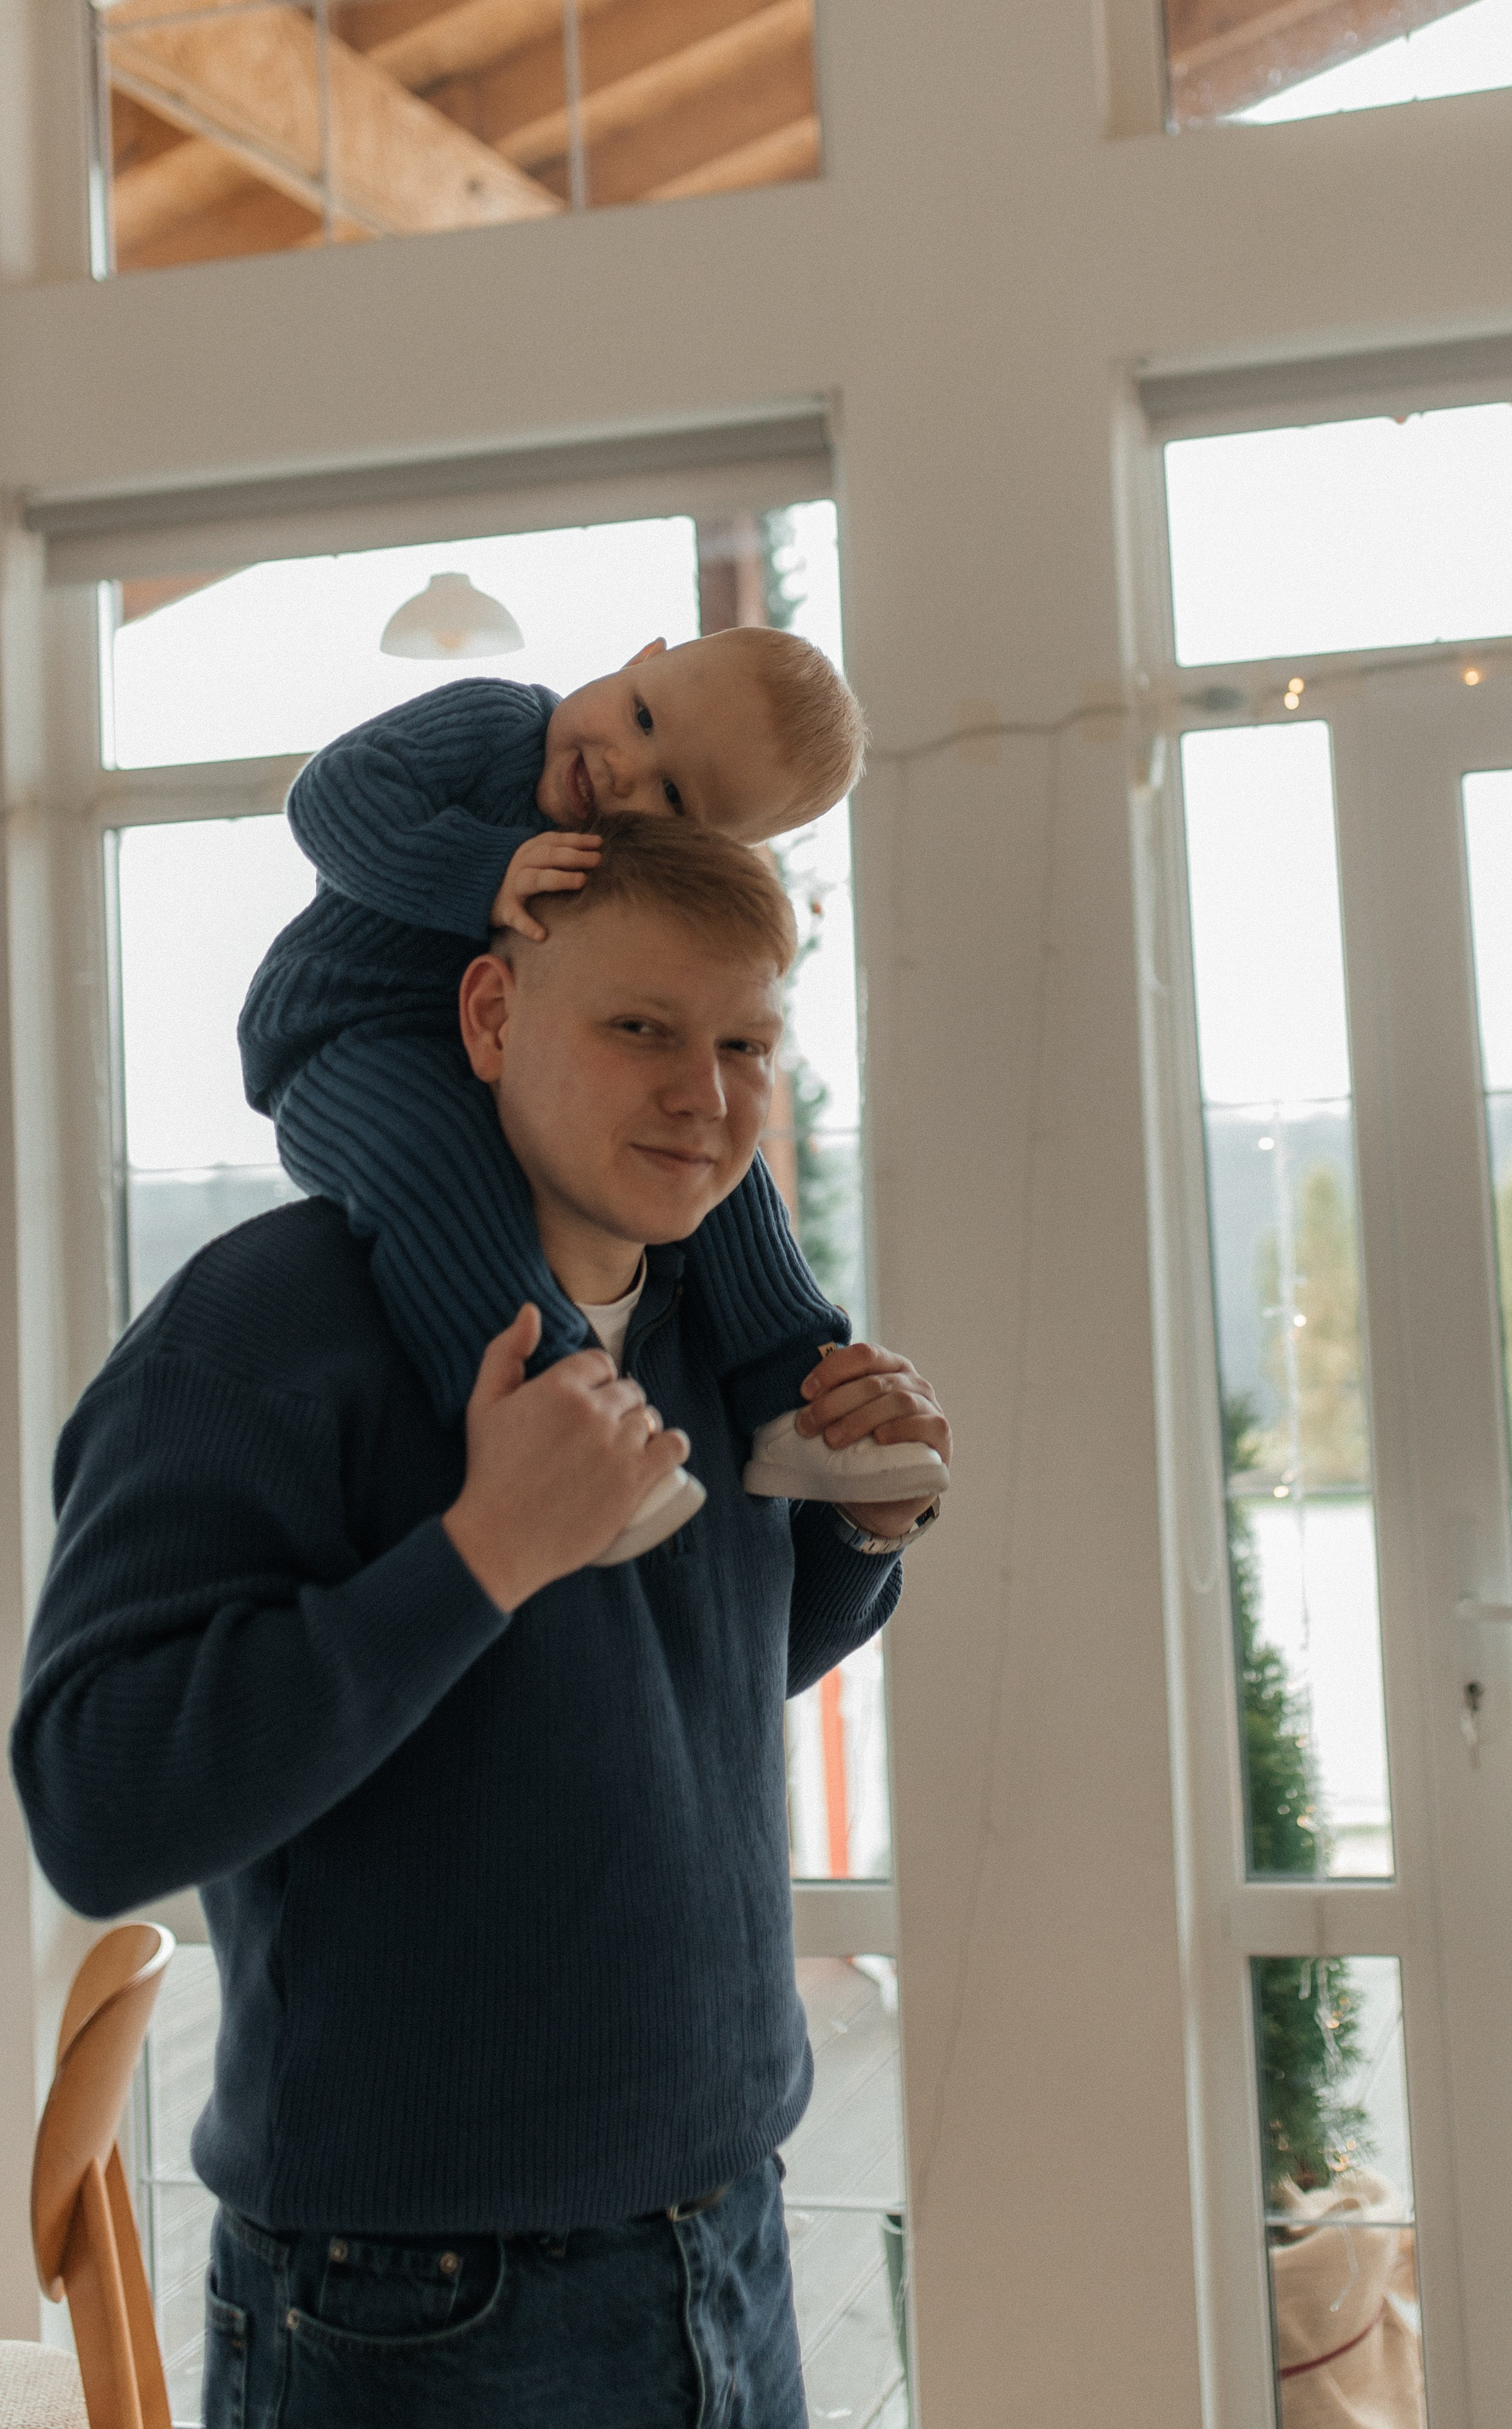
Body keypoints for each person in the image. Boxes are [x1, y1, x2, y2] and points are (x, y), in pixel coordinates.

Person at [11, 813, 952, 2429]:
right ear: (491, 1019)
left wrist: (860, 1536)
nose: (704, 1095)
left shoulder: (701, 1324)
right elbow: (95, 1811)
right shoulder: (261, 1328)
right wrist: (478, 1552)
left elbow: (673, 1690)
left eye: (745, 1044)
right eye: (641, 1027)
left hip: (728, 2230)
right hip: (418, 2308)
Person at [238, 629, 949, 1564]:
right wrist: (482, 872)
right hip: (352, 1031)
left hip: (476, 1069)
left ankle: (791, 1392)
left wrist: (866, 1527)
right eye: (643, 714)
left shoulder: (626, 882)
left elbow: (737, 1664)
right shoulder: (500, 724)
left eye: (673, 797)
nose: (622, 771)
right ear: (639, 655)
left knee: (721, 1174)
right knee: (431, 1160)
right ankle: (551, 1403)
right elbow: (334, 795)